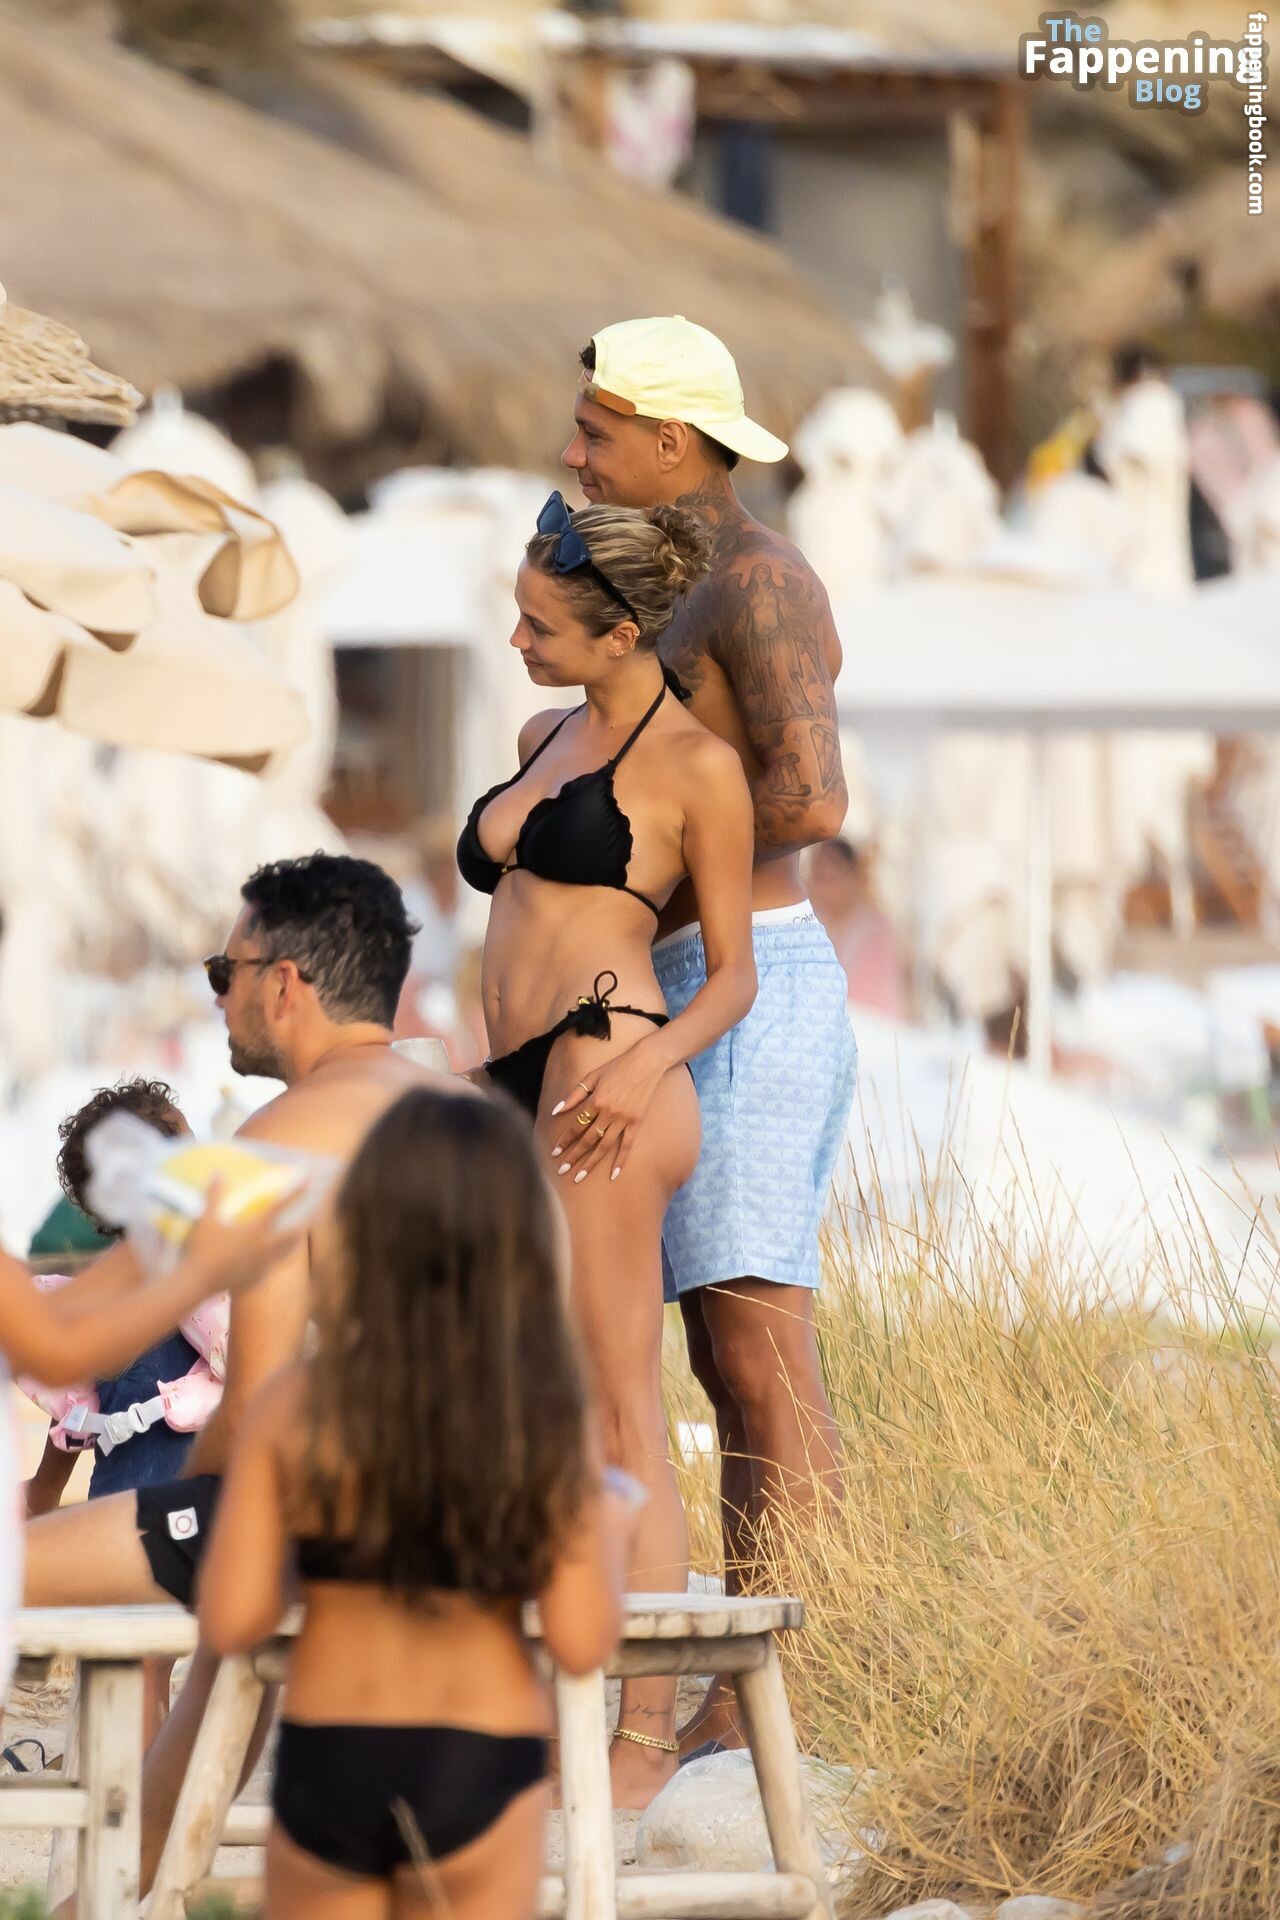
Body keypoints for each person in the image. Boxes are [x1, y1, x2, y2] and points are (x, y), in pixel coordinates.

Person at [23, 852, 465, 1907]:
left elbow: (245, 1403)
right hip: (487, 1510)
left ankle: (111, 1892)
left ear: (285, 985)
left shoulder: (277, 1144)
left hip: (344, 1521)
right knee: (229, 1625)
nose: (216, 997)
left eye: (224, 972)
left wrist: (162, 1511)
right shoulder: (474, 1116)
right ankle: (118, 1898)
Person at [563, 316, 858, 1757]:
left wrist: (652, 858)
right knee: (717, 1363)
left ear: (670, 441)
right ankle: (748, 1696)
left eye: (596, 431)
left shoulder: (759, 582)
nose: (575, 454)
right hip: (694, 987)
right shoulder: (677, 587)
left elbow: (814, 797)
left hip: (756, 985)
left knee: (759, 1359)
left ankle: (790, 1696)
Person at [457, 490, 756, 1803]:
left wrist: (644, 1063)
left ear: (622, 633)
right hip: (515, 1081)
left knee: (625, 1405)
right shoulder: (541, 735)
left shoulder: (696, 767)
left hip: (608, 1072)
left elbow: (733, 974)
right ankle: (548, 1692)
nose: (516, 641)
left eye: (539, 625)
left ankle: (642, 1731)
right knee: (538, 1402)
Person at [201, 1087, 629, 1920]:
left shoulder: (294, 1404)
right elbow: (580, 1639)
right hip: (479, 1753)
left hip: (330, 1750)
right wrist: (607, 1530)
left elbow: (232, 1618)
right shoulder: (542, 1411)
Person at [0, 1168, 300, 1711]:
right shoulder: (221, 1295)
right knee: (201, 1669)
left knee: (136, 1659)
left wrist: (44, 1490)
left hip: (150, 1503)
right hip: (213, 1505)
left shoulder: (113, 1294)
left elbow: (68, 1382)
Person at [806, 839, 907, 1019]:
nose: (825, 885)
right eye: (819, 874)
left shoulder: (874, 930)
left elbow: (879, 1001)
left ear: (852, 874)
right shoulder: (807, 923)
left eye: (832, 875)